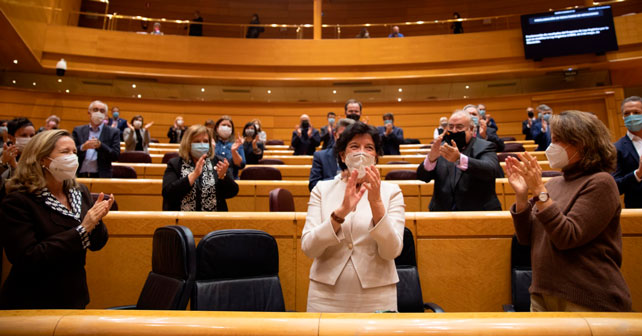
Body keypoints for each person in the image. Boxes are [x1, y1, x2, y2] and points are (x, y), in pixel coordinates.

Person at [506, 110, 631, 312]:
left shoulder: (601, 183)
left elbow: (567, 237)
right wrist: (521, 196)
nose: (551, 146)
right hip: (543, 294)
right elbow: (526, 238)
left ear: (582, 143)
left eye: (557, 141)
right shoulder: (554, 184)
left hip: (585, 298)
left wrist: (538, 190)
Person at [0, 129, 111, 309]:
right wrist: (83, 229)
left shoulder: (79, 191)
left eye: (74, 152)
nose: (72, 157)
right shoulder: (19, 200)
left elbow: (96, 244)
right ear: (42, 158)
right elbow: (27, 257)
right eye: (65, 152)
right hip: (32, 299)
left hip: (74, 296)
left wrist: (96, 220)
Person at [302, 121, 405, 312]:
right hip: (325, 295)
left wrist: (376, 205)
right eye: (354, 147)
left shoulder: (392, 192)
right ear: (343, 155)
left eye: (369, 148)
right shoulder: (321, 190)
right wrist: (340, 213)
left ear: (376, 156)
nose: (361, 152)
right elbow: (309, 248)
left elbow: (391, 251)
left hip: (378, 295)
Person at [417, 110, 502, 211]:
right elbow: (423, 177)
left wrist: (459, 159)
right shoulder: (442, 146)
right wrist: (431, 159)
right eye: (451, 127)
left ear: (471, 129)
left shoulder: (485, 146)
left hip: (478, 213)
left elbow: (491, 170)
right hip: (442, 214)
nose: (454, 131)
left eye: (459, 127)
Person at [162, 125, 238, 211]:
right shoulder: (175, 164)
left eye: (205, 141)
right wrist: (193, 176)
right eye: (197, 141)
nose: (202, 144)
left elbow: (232, 192)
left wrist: (223, 177)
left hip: (213, 220)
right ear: (188, 143)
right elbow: (168, 194)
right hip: (181, 220)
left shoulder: (218, 162)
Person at [73, 100, 121, 178]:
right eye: (95, 110)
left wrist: (100, 146)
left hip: (101, 176)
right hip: (79, 175)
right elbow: (70, 153)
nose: (98, 113)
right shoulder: (78, 130)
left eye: (102, 111)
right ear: (89, 113)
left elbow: (115, 156)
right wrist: (83, 147)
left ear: (105, 115)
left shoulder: (113, 132)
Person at [309, 118, 355, 191]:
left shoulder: (362, 157)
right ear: (335, 135)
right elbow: (313, 185)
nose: (345, 139)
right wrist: (339, 178)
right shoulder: (320, 156)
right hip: (328, 199)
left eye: (350, 136)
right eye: (342, 135)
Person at [613, 96, 642, 208]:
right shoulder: (617, 148)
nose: (632, 117)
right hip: (638, 209)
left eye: (636, 112)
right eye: (627, 114)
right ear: (623, 117)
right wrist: (638, 174)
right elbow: (615, 186)